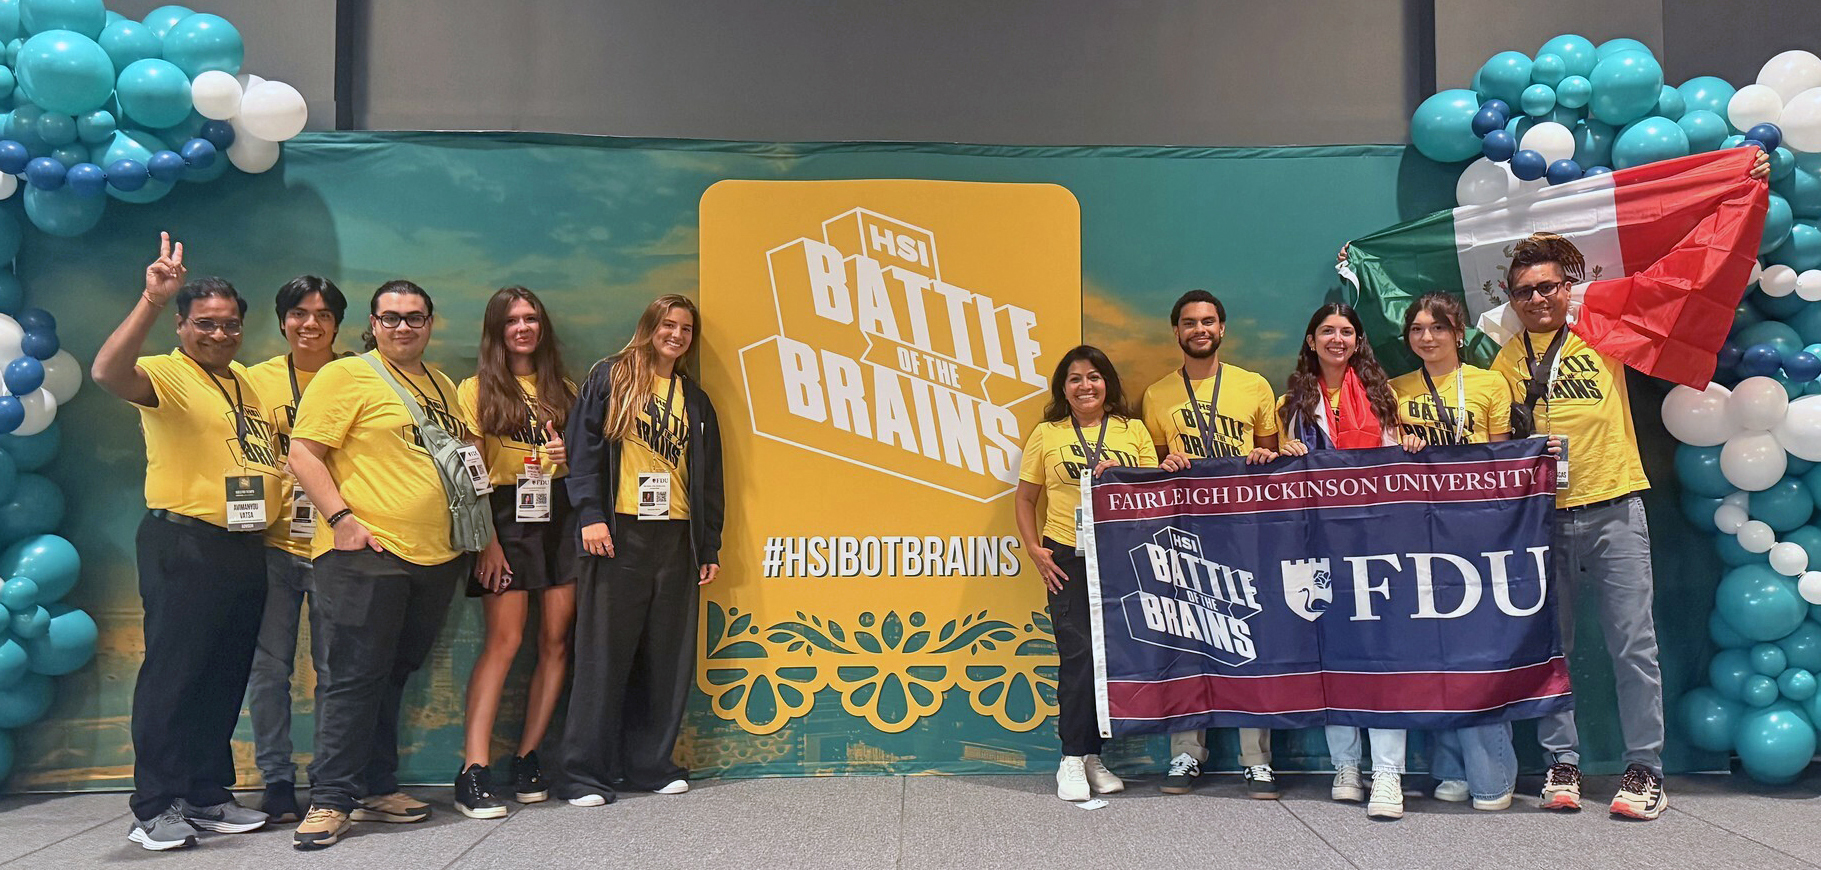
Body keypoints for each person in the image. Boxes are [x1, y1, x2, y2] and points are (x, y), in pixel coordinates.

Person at [91, 233, 277, 850]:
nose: (219, 335)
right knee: (174, 676)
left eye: (230, 326)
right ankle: (153, 806)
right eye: (206, 324)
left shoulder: (245, 383)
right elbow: (106, 372)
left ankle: (203, 793)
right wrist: (149, 298)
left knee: (222, 674)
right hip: (184, 543)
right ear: (181, 325)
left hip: (243, 545)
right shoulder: (167, 373)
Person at [287, 281, 475, 849]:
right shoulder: (345, 376)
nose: (403, 327)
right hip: (368, 553)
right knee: (351, 679)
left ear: (430, 323)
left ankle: (373, 786)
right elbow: (303, 451)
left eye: (414, 318)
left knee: (391, 674)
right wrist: (342, 518)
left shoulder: (441, 384)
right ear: (373, 322)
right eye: (391, 318)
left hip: (436, 556)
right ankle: (329, 800)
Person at [1489, 233, 1671, 818]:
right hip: (1541, 519)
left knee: (1632, 646)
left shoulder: (1603, 333)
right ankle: (1560, 762)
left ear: (1567, 288)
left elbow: (1670, 291)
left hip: (1614, 505)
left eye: (1547, 286)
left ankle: (1645, 769)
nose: (1537, 298)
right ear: (1511, 300)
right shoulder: (1504, 359)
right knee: (1552, 649)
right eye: (1524, 291)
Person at [559, 294, 724, 806]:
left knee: (665, 658)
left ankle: (650, 766)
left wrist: (708, 545)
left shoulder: (694, 401)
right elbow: (583, 450)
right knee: (602, 655)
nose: (676, 335)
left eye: (686, 328)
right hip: (618, 534)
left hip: (676, 539)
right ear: (649, 326)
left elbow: (711, 480)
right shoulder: (611, 378)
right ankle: (581, 774)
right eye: (668, 324)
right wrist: (589, 514)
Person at [1138, 289, 1283, 799]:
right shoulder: (1157, 395)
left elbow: (1271, 458)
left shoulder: (1254, 386)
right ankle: (1186, 752)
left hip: (1244, 532)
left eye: (1208, 321)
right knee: (1184, 638)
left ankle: (1256, 760)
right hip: (1183, 534)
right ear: (1175, 331)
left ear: (1222, 329)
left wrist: (1268, 459)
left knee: (1248, 640)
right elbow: (1153, 468)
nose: (1199, 329)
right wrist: (1166, 465)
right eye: (1189, 322)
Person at [1275, 302, 1414, 820]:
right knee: (1330, 654)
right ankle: (1346, 766)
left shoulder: (1382, 396)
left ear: (1357, 342)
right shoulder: (1291, 402)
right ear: (1311, 341)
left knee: (1382, 656)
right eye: (1327, 331)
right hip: (1317, 544)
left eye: (1346, 332)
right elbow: (1282, 474)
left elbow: (1397, 466)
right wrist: (1283, 457)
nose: (1337, 339)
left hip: (1376, 542)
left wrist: (1408, 445)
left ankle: (1388, 773)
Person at [1388, 292, 1518, 812]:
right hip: (1416, 535)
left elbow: (1504, 459)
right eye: (1417, 329)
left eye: (1437, 328)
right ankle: (1447, 766)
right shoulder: (1394, 391)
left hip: (1478, 534)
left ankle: (1492, 773)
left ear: (1458, 332)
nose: (1427, 337)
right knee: (1432, 652)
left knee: (1478, 653)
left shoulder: (1489, 384)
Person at [454, 287, 579, 819]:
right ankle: (473, 770)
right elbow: (471, 472)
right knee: (504, 641)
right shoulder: (475, 388)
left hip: (559, 517)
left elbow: (583, 471)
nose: (524, 328)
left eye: (531, 319)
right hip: (503, 518)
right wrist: (488, 541)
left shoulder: (566, 389)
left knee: (555, 641)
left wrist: (568, 456)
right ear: (497, 330)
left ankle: (528, 757)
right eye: (513, 321)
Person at [1015, 345, 1156, 802]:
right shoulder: (1047, 433)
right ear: (1063, 388)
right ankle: (1071, 760)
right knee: (1077, 655)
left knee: (1108, 659)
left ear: (1107, 383)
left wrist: (1124, 474)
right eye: (1074, 378)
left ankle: (1093, 754)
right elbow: (1025, 498)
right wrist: (1035, 550)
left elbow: (1153, 494)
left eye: (1093, 377)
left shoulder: (1132, 431)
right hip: (1066, 556)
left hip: (1121, 556)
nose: (1085, 386)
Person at [241, 275, 348, 824]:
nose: (312, 323)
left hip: (338, 544)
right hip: (273, 543)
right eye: (300, 313)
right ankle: (276, 777)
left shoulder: (358, 375)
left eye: (324, 314)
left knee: (336, 671)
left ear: (339, 323)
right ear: (282, 319)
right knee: (268, 669)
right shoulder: (253, 381)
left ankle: (330, 778)